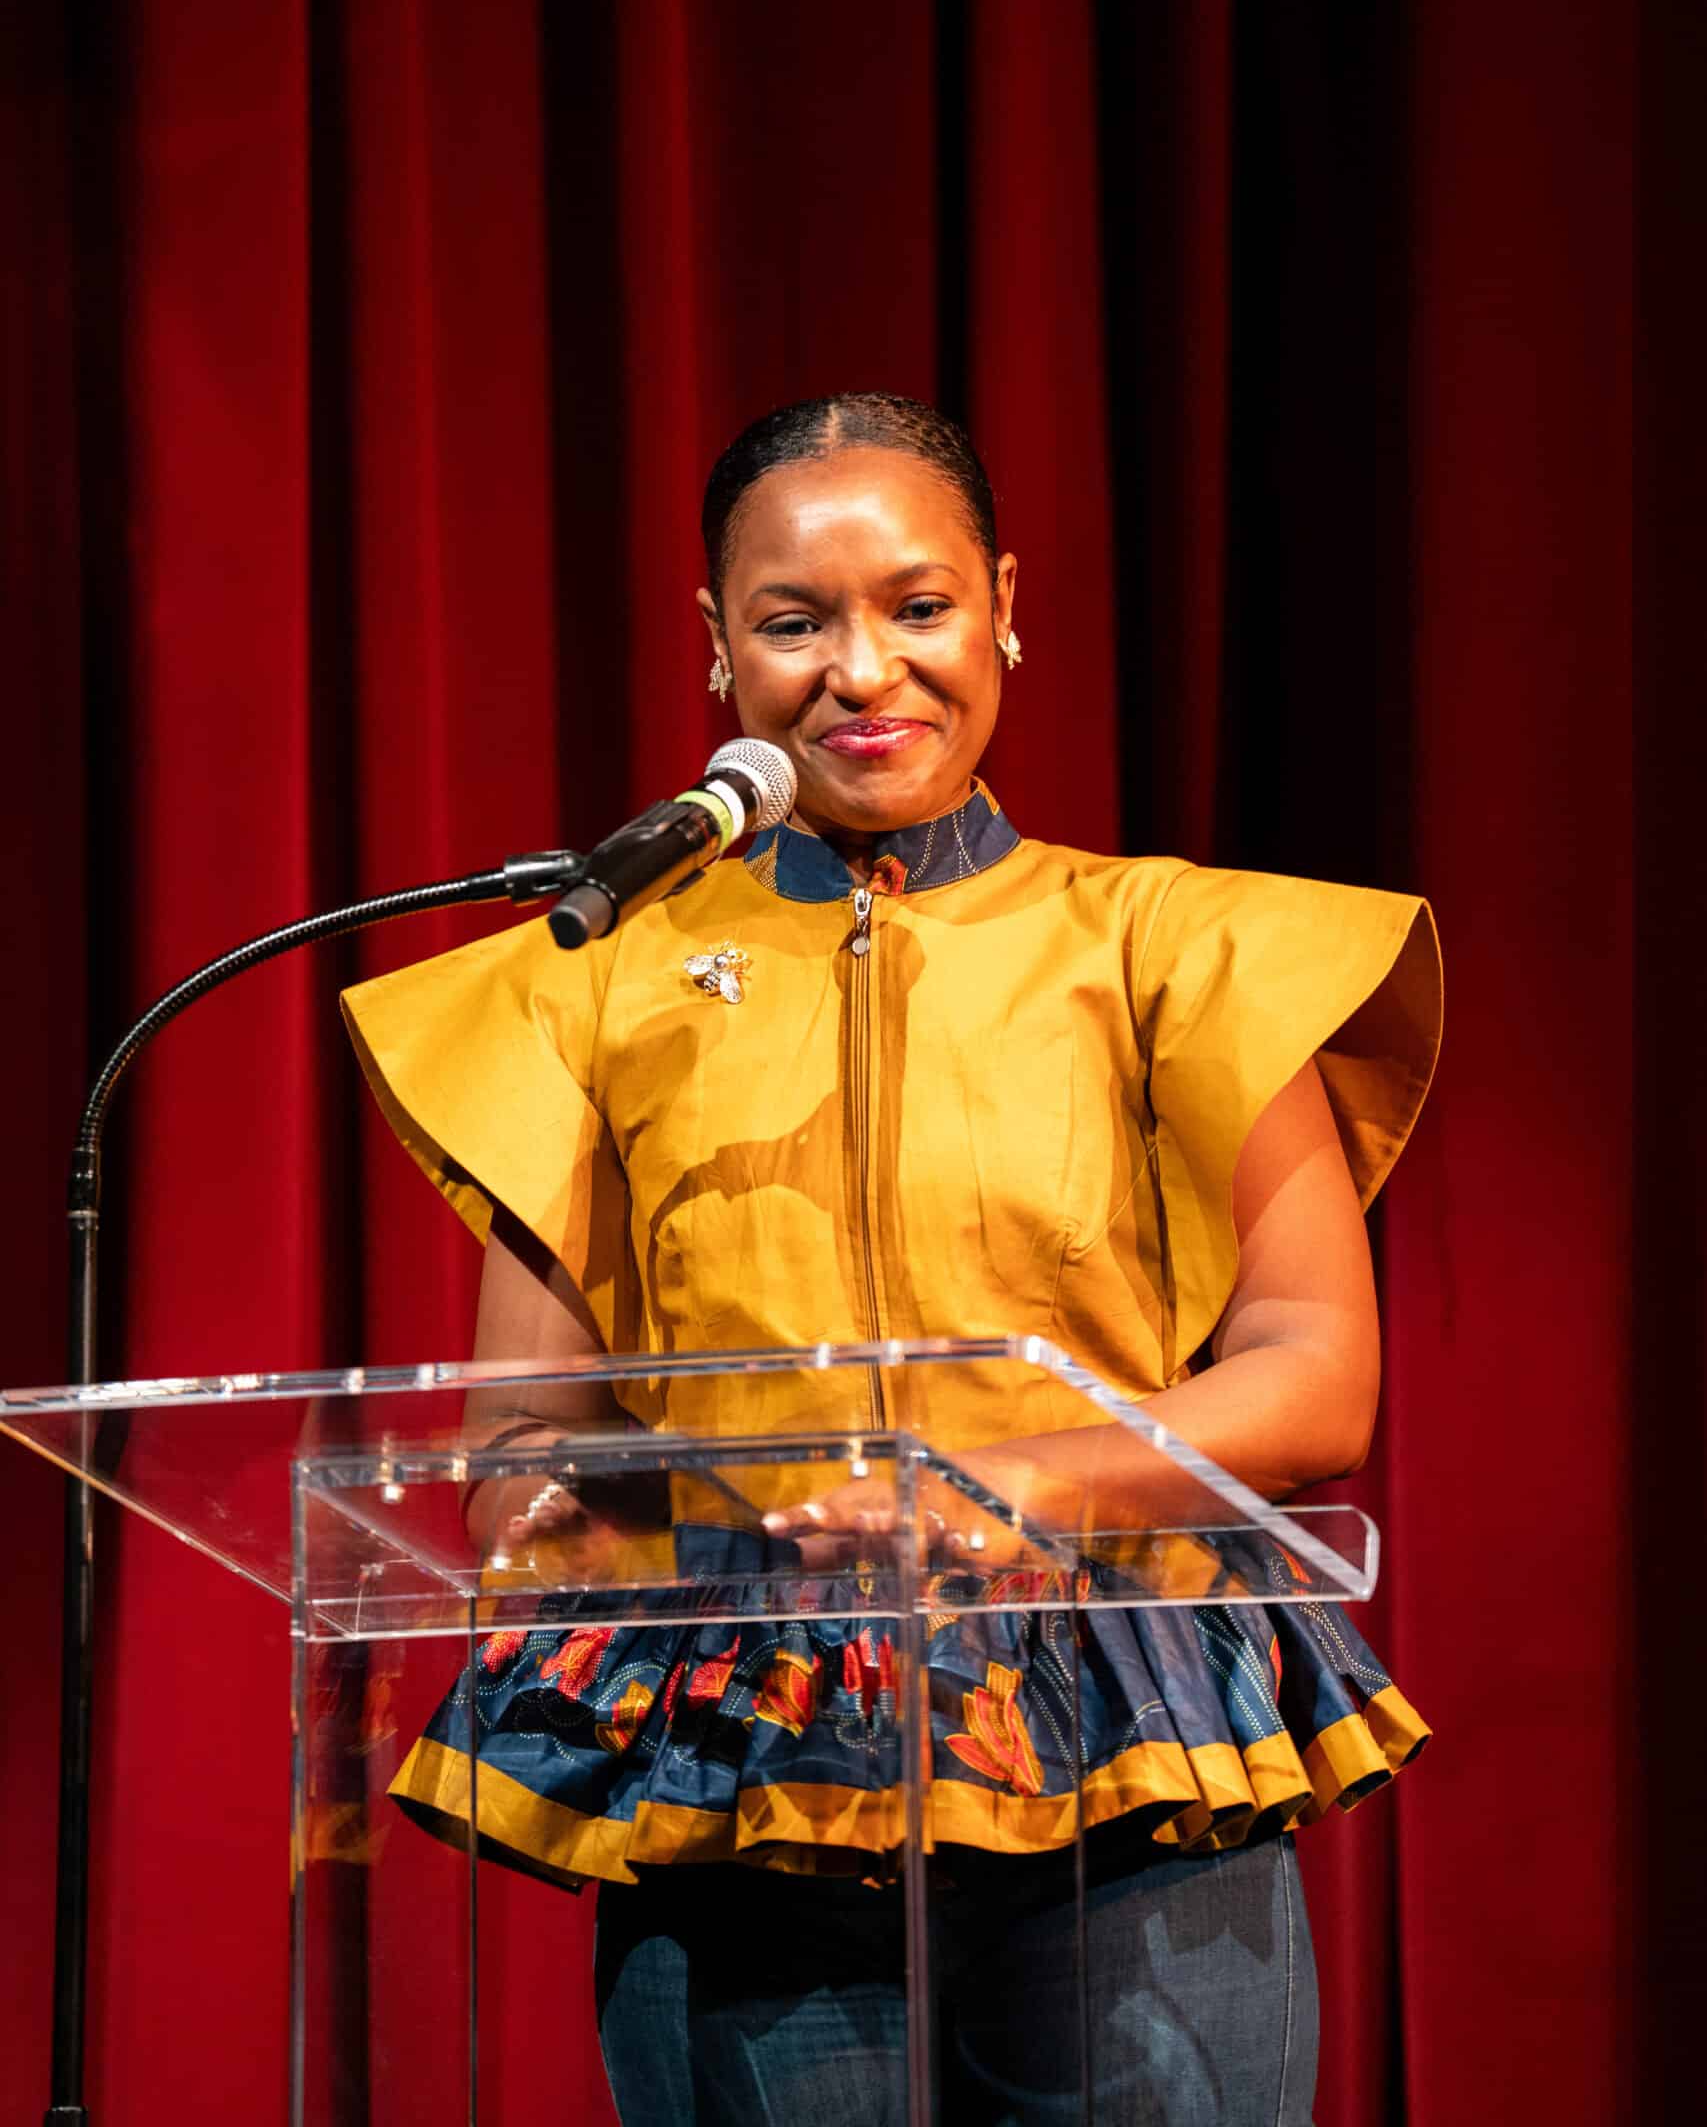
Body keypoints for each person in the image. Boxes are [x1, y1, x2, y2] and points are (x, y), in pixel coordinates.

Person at [342, 392, 1441, 2124]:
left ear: (1004, 604)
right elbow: (522, 1448)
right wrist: (572, 1518)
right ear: (717, 645)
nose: (863, 672)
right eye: (794, 623)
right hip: (745, 1759)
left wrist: (1003, 1489)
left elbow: (1315, 1377)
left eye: (918, 606)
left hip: (1128, 1741)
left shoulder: (1174, 946)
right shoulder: (592, 986)